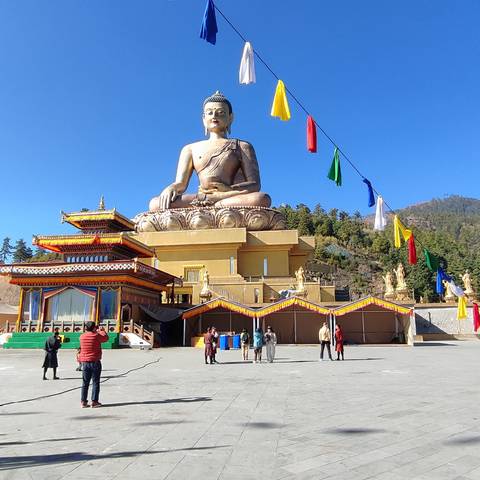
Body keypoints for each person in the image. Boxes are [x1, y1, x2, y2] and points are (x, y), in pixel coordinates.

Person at [149, 91, 271, 211]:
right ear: (204, 118)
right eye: (210, 113)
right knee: (155, 204)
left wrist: (227, 190)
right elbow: (181, 184)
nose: (214, 116)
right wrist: (172, 188)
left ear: (230, 118)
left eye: (220, 113)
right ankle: (213, 208)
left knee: (261, 199)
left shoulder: (242, 146)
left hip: (229, 197)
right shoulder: (190, 148)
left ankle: (210, 208)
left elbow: (255, 184)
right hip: (201, 198)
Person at [79, 321, 109, 408]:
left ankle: (83, 401)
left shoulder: (82, 336)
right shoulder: (96, 335)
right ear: (93, 328)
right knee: (95, 382)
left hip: (85, 362)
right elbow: (105, 338)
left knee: (85, 383)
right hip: (95, 361)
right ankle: (94, 401)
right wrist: (102, 331)